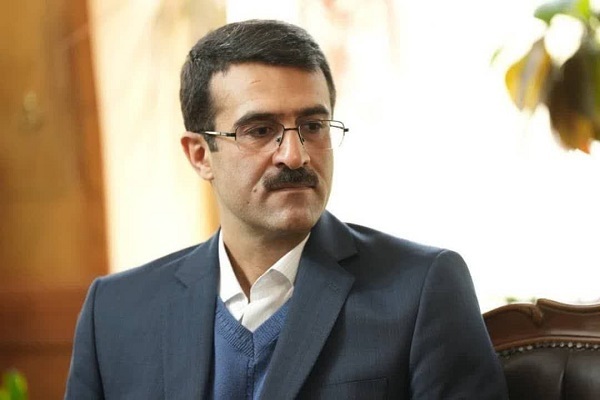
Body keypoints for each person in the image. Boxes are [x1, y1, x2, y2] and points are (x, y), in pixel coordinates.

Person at [65, 19, 508, 399]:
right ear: (200, 155)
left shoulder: (420, 289)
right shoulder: (116, 312)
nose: (295, 155)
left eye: (313, 126)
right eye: (260, 130)